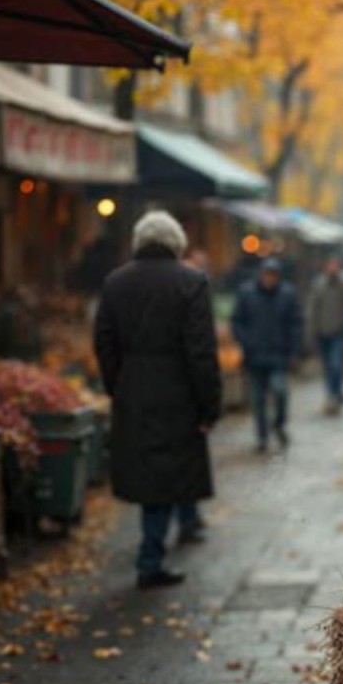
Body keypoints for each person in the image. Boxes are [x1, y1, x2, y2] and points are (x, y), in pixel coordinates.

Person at [93, 211, 221, 590]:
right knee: (168, 477)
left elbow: (103, 341)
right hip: (177, 393)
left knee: (150, 478)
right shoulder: (191, 282)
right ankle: (150, 559)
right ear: (175, 242)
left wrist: (118, 384)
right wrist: (208, 405)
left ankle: (151, 555)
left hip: (133, 390)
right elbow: (201, 351)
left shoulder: (115, 282)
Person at [232, 258, 303, 451]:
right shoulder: (247, 293)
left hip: (279, 354)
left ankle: (278, 423)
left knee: (280, 391)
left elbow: (296, 324)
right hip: (255, 355)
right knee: (258, 400)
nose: (269, 279)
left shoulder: (288, 295)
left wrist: (294, 350)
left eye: (273, 275)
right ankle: (262, 436)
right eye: (266, 274)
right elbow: (237, 320)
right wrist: (245, 341)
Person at [306, 257, 343, 414]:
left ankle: (335, 394)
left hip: (339, 332)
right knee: (328, 366)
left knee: (336, 365)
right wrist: (311, 330)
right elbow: (312, 307)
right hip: (322, 331)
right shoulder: (318, 284)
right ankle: (333, 393)